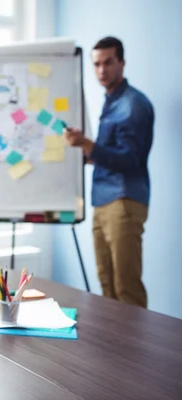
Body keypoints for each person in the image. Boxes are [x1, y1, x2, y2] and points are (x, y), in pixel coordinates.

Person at [64, 36, 154, 308]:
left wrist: (88, 144)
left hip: (123, 200)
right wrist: (88, 154)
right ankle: (115, 350)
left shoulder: (133, 104)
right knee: (106, 282)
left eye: (108, 62)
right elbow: (112, 154)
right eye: (96, 64)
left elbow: (129, 160)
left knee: (126, 286)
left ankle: (134, 350)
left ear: (122, 63)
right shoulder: (112, 101)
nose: (101, 70)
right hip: (103, 200)